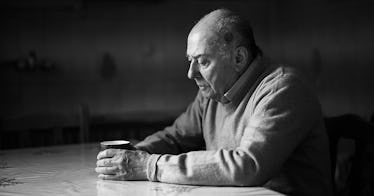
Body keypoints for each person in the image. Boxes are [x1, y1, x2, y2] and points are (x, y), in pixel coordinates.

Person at [95, 8, 333, 196]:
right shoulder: (213, 91)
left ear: (238, 58)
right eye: (190, 60)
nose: (191, 73)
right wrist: (133, 155)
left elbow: (247, 166)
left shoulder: (283, 89)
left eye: (203, 61)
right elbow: (175, 137)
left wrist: (150, 166)